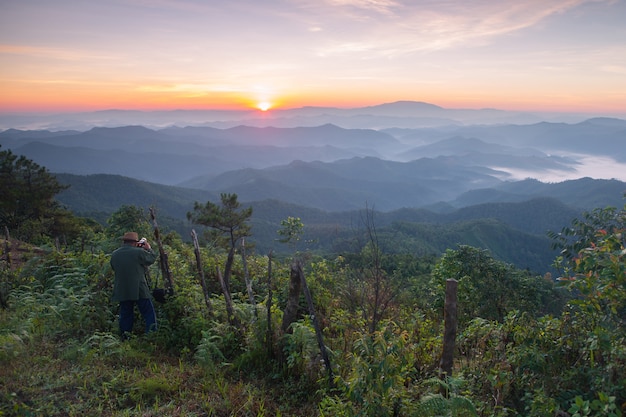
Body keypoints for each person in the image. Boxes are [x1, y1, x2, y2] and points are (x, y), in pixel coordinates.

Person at [110, 231, 158, 338]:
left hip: (122, 289)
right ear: (135, 242)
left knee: (126, 314)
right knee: (148, 312)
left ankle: (125, 337)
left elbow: (114, 268)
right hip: (139, 288)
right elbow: (152, 258)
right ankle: (151, 336)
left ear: (124, 241)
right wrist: (148, 248)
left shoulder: (115, 254)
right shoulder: (138, 252)